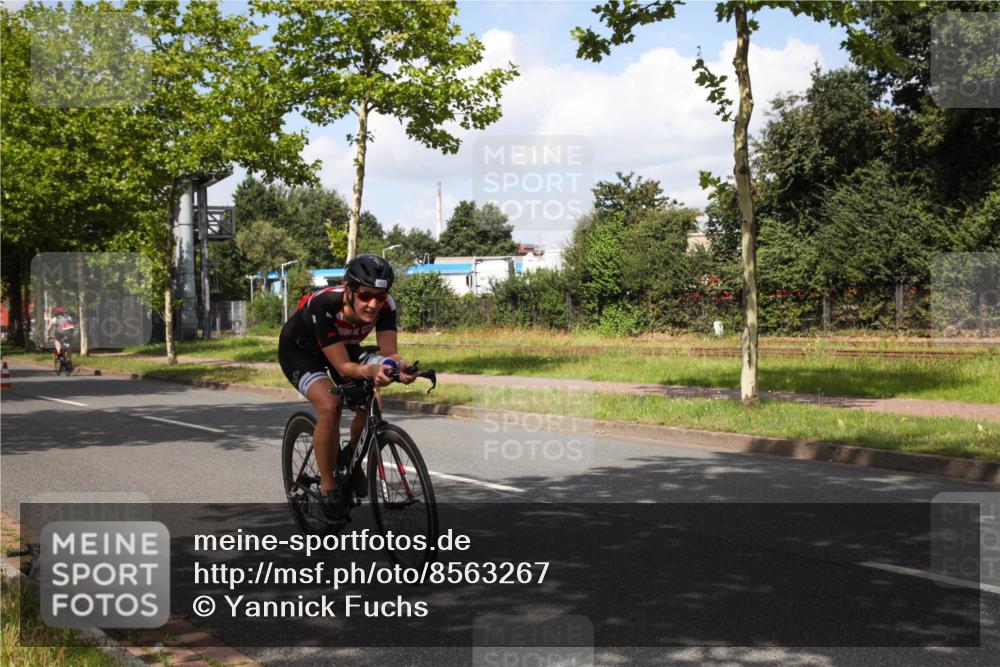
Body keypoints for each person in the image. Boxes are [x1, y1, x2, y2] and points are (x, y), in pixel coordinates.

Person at [278, 254, 416, 521]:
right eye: (365, 296)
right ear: (349, 290)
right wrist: (369, 371)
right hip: (300, 351)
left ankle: (350, 459)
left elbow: (390, 354)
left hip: (342, 346)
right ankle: (328, 484)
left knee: (372, 403)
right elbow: (343, 367)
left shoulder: (386, 306)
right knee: (331, 404)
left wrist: (401, 367)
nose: (373, 304)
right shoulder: (324, 304)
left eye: (380, 296)